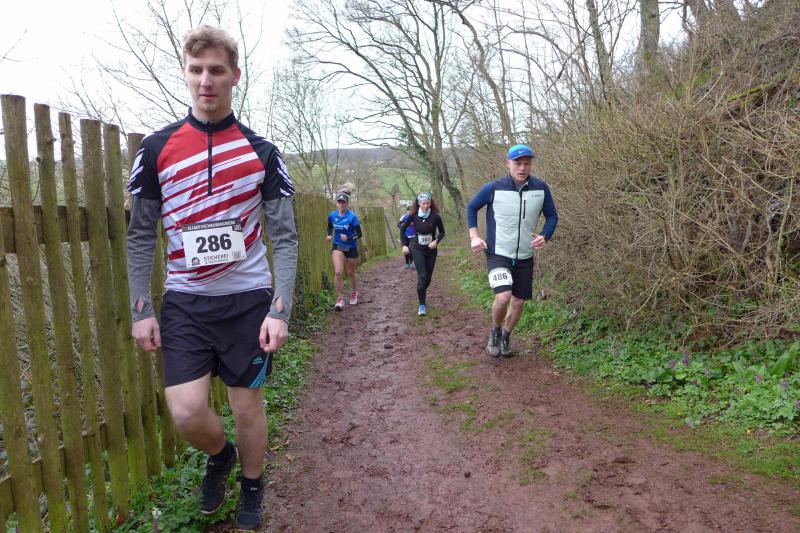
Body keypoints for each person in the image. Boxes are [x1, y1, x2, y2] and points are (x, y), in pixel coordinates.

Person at [125, 25, 298, 530]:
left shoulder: (262, 152)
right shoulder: (156, 149)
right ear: (185, 73)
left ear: (234, 76)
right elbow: (140, 234)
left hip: (247, 300)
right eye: (196, 70)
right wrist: (141, 308)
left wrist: (280, 309)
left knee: (247, 406)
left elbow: (285, 237)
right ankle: (221, 455)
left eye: (217, 70)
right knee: (186, 411)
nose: (206, 80)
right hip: (186, 301)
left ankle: (252, 486)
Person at [466, 144, 558, 358]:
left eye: (527, 163)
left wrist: (545, 235)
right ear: (508, 163)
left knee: (518, 302)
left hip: (525, 255)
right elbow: (471, 207)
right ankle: (495, 331)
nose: (522, 168)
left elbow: (552, 216)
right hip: (498, 253)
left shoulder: (540, 188)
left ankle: (506, 336)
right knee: (503, 297)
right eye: (518, 163)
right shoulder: (493, 188)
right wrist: (474, 236)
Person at [399, 192, 446, 316]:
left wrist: (436, 241)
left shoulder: (435, 216)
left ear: (431, 203)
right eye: (423, 203)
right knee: (423, 275)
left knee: (428, 278)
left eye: (428, 203)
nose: (426, 206)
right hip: (417, 248)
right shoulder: (413, 215)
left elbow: (442, 232)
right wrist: (404, 245)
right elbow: (403, 229)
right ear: (419, 203)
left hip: (431, 250)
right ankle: (422, 305)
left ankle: (420, 291)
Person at [326, 192, 362, 309]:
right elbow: (330, 225)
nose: (341, 204)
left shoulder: (352, 217)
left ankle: (354, 292)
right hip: (338, 245)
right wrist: (329, 234)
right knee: (338, 272)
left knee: (351, 272)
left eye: (343, 202)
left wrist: (349, 238)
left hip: (351, 246)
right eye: (339, 202)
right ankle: (339, 299)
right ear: (336, 203)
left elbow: (359, 234)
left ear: (347, 204)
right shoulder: (332, 215)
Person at [397, 205, 416, 270]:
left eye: (412, 210)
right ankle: (407, 263)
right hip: (405, 236)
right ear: (407, 211)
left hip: (413, 236)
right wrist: (403, 229)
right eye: (409, 210)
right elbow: (398, 224)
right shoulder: (404, 216)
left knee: (412, 249)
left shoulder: (415, 216)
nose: (410, 212)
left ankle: (411, 263)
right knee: (406, 250)